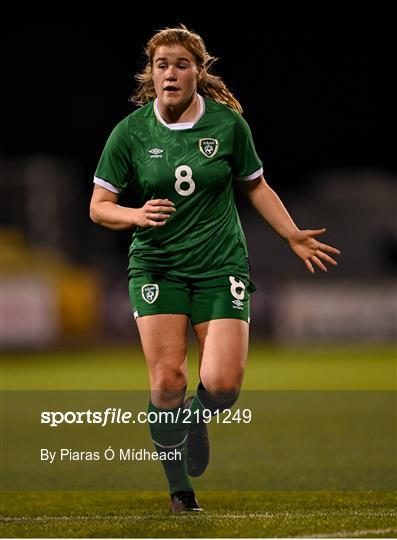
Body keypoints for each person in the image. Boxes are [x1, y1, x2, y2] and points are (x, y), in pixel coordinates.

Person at [90, 24, 340, 513]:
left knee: (223, 387)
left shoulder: (227, 125)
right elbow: (99, 206)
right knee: (167, 382)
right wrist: (134, 215)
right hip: (157, 266)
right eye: (161, 65)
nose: (170, 73)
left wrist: (290, 233)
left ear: (198, 72)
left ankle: (196, 418)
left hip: (219, 265)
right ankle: (181, 491)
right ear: (151, 73)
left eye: (181, 64)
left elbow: (256, 185)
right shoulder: (131, 132)